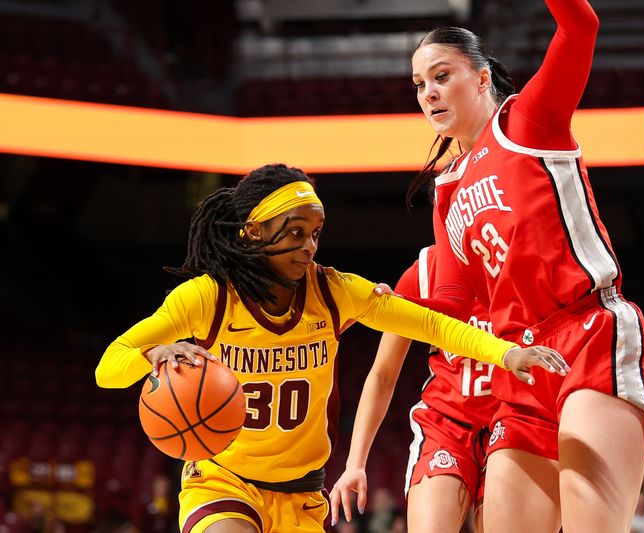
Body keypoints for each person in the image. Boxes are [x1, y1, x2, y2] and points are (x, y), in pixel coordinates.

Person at [94, 163, 568, 533]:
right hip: (223, 480)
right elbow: (107, 369)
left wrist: (505, 354)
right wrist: (152, 354)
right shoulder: (207, 297)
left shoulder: (334, 292)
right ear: (255, 231)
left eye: (315, 233)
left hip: (303, 493)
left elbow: (432, 325)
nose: (310, 246)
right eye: (296, 232)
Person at [396, 0, 644, 530]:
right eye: (418, 84)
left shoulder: (527, 120)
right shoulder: (445, 193)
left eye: (441, 76)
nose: (428, 92)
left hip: (587, 330)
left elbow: (581, 26)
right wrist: (352, 303)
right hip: (521, 362)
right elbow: (446, 310)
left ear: (480, 76)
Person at [330, 245, 497, 532]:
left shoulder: (521, 263)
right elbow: (383, 374)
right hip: (446, 424)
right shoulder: (423, 272)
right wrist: (354, 464)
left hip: (511, 421)